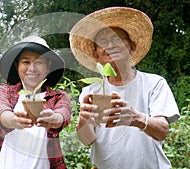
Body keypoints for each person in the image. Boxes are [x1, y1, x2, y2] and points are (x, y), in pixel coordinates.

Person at [69, 7, 180, 169]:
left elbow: (162, 131)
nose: (110, 45)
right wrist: (83, 121)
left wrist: (136, 118)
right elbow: (87, 141)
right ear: (96, 55)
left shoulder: (154, 84)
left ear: (131, 47)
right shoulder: (91, 92)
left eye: (117, 39)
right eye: (103, 42)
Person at [0, 35, 71, 169]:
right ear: (17, 66)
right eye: (26, 62)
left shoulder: (58, 97)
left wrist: (53, 119)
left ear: (48, 66)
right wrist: (13, 120)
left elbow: (63, 114)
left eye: (39, 62)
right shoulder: (5, 91)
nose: (32, 68)